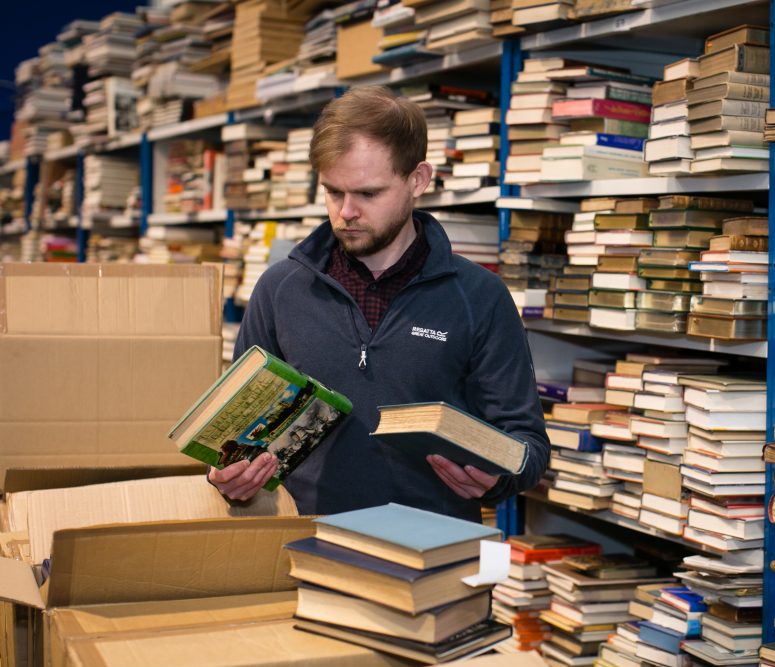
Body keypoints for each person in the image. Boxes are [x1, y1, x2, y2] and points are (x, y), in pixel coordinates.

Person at [208, 86, 550, 522]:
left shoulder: (480, 296)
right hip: (308, 547)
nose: (345, 212)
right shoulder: (280, 289)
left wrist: (499, 476)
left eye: (368, 194)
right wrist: (229, 474)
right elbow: (234, 434)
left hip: (433, 556)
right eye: (333, 192)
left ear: (417, 180)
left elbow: (528, 445)